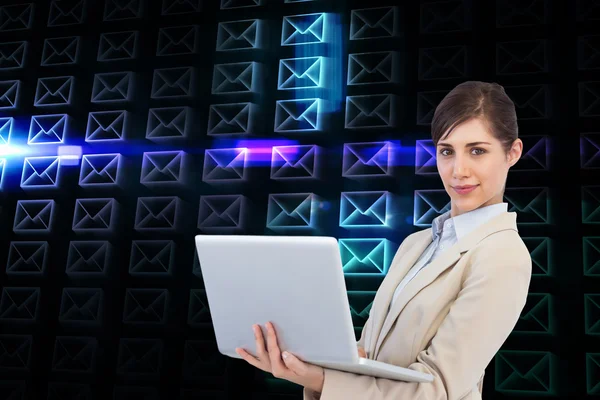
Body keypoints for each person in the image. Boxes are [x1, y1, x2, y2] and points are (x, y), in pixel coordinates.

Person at [235, 81, 532, 400]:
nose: (458, 170)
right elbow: (373, 355)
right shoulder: (416, 245)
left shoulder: (502, 256)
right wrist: (307, 356)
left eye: (477, 151)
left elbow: (438, 388)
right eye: (447, 151)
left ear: (512, 153)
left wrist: (322, 380)